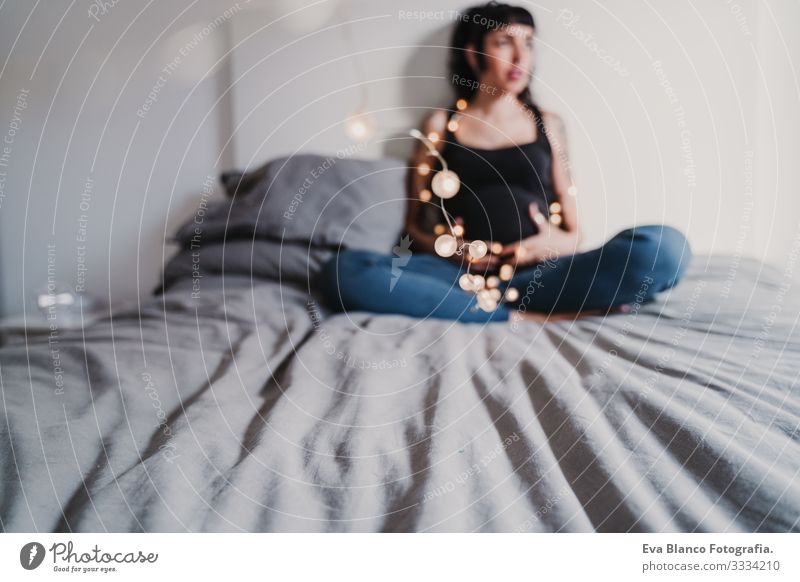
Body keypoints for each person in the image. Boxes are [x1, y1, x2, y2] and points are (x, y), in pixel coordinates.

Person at [318, 1, 692, 324]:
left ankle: (497, 309)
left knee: (664, 248)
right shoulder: (440, 124)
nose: (520, 57)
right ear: (472, 52)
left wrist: (544, 246)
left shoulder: (549, 123)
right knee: (344, 272)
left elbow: (575, 232)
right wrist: (449, 247)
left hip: (542, 274)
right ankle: (512, 317)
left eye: (528, 43)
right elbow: (414, 227)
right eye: (504, 42)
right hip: (459, 277)